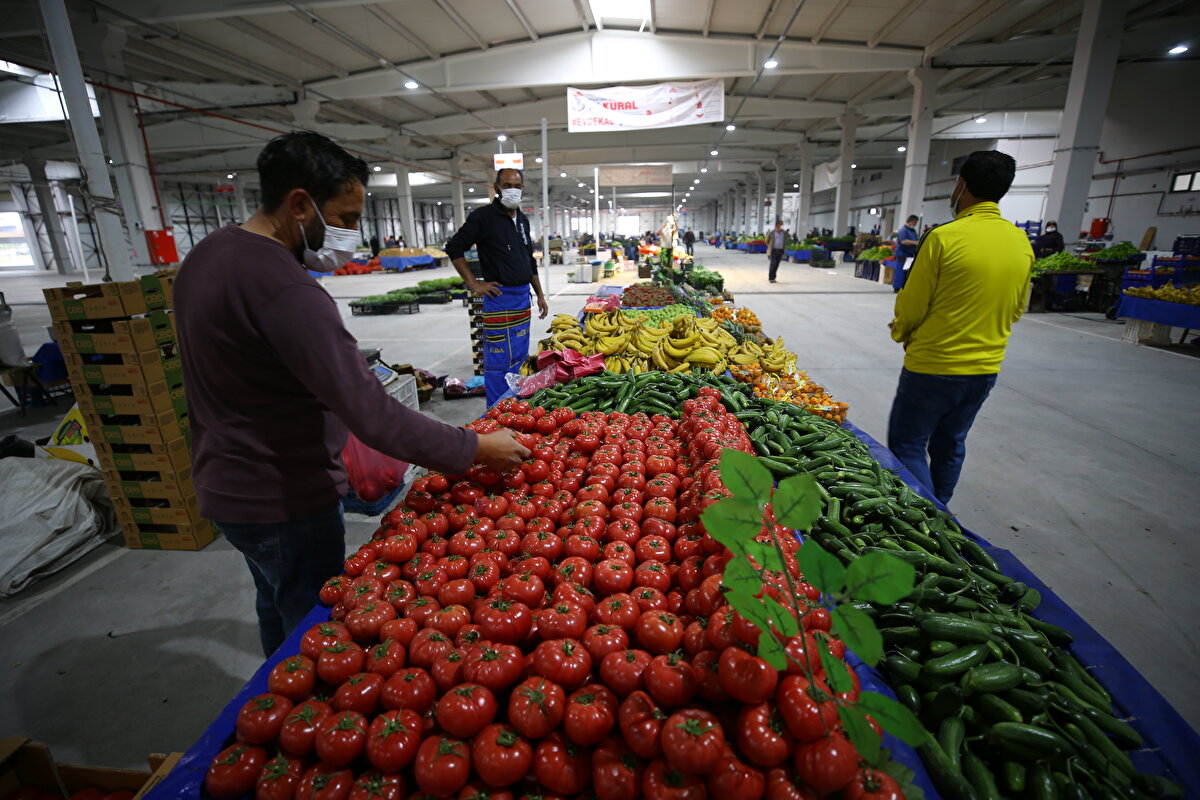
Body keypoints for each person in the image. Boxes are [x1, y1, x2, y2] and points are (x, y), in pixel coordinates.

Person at [174, 132, 529, 656]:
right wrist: (474, 447)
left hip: (226, 484)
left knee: (275, 602)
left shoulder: (207, 256)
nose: (353, 234)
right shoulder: (287, 289)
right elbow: (373, 413)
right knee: (315, 637)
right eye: (345, 217)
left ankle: (275, 679)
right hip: (283, 493)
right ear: (300, 205)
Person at [887, 150, 1033, 505]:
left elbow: (912, 305)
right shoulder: (1021, 242)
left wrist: (902, 332)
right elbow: (1016, 310)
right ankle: (942, 515)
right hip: (984, 370)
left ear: (961, 185)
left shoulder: (943, 238)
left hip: (933, 366)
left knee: (908, 444)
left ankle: (931, 519)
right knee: (950, 443)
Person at [446, 168, 549, 406]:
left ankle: (515, 406)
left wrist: (540, 294)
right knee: (499, 361)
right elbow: (454, 247)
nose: (513, 190)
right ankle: (497, 412)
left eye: (517, 186)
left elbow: (529, 260)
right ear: (496, 188)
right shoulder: (483, 217)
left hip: (522, 300)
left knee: (519, 357)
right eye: (507, 185)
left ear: (522, 189)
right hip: (500, 300)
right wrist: (473, 283)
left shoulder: (522, 220)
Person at [892, 214, 921, 293]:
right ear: (911, 221)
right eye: (915, 222)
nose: (915, 224)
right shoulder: (903, 230)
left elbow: (916, 239)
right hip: (902, 254)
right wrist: (915, 243)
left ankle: (904, 287)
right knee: (900, 271)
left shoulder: (913, 231)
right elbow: (903, 241)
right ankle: (897, 287)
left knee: (907, 272)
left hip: (910, 254)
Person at [766, 218, 788, 283]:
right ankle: (771, 278)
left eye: (782, 225)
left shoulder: (784, 233)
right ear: (776, 225)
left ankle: (774, 277)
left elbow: (788, 237)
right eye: (780, 225)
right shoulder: (772, 232)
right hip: (773, 250)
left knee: (777, 264)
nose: (781, 226)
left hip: (780, 250)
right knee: (773, 264)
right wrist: (770, 246)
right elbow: (766, 240)